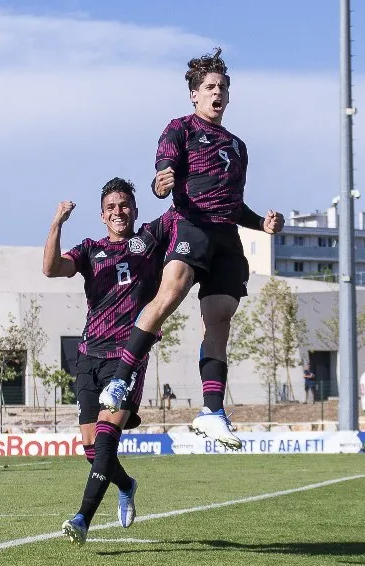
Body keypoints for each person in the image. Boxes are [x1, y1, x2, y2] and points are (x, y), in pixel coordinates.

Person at [99, 47, 284, 450]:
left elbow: (234, 205)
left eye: (223, 87)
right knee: (170, 294)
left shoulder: (238, 146)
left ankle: (212, 412)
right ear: (194, 95)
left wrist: (262, 224)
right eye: (210, 87)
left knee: (220, 317)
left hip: (226, 237)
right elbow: (163, 172)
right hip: (192, 224)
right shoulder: (180, 128)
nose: (218, 93)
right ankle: (119, 380)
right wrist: (159, 184)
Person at [42, 177, 172, 545]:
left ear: (135, 209)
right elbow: (51, 268)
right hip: (88, 357)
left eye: (124, 205)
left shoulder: (149, 239)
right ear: (102, 215)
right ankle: (127, 484)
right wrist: (57, 224)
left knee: (104, 443)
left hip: (127, 358)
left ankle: (82, 518)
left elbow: (182, 209)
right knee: (89, 450)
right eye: (111, 207)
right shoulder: (89, 250)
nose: (118, 211)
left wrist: (171, 177)